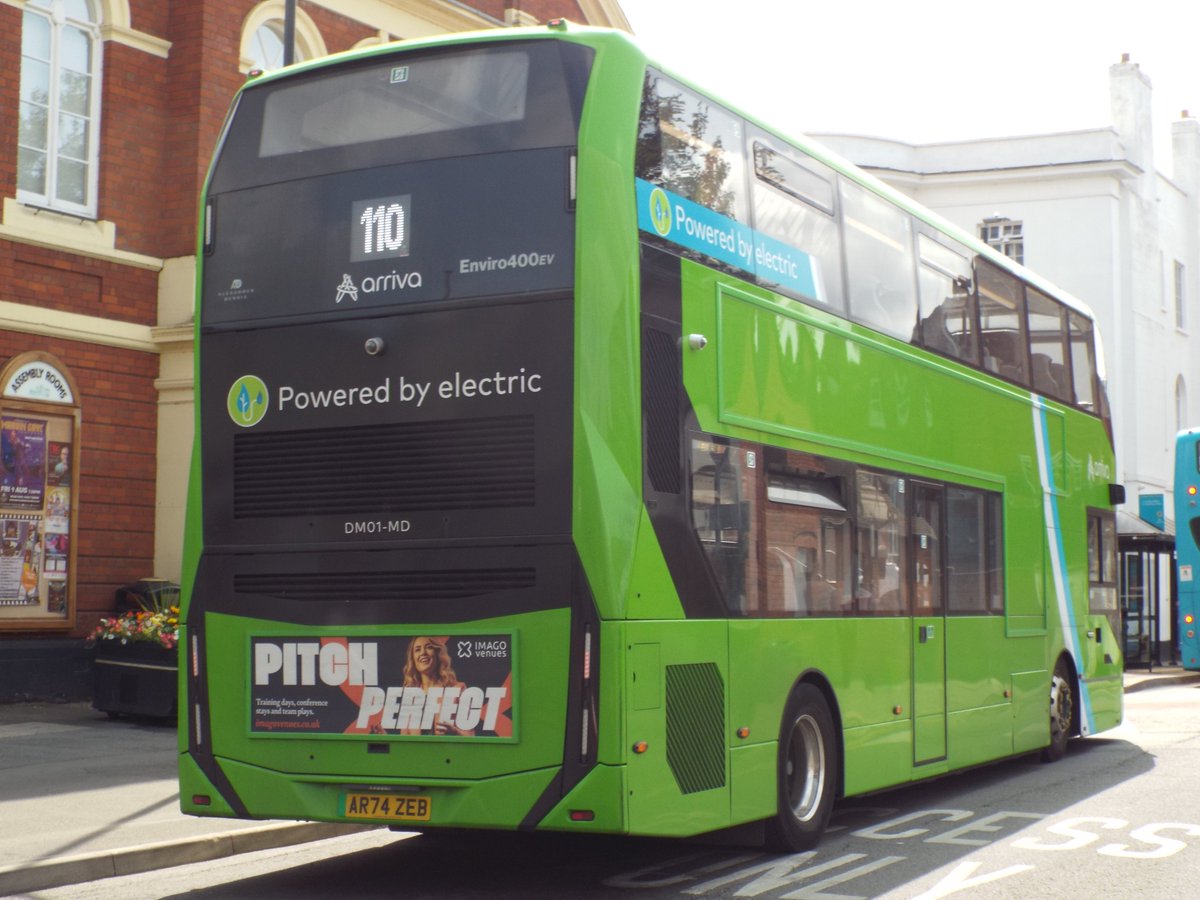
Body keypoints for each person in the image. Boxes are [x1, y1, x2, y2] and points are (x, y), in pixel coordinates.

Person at [400, 636, 475, 736]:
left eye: (429, 647)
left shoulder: (458, 689)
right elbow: (404, 740)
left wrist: (454, 732)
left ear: (438, 653)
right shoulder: (411, 696)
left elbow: (471, 737)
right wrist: (384, 737)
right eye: (417, 650)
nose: (423, 653)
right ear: (413, 659)